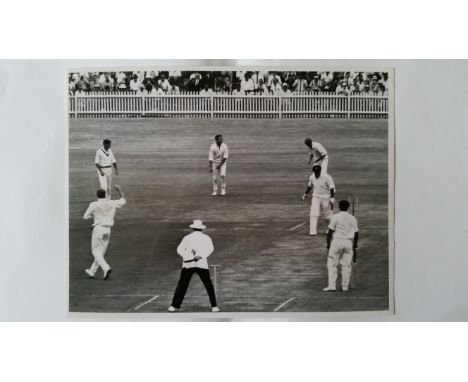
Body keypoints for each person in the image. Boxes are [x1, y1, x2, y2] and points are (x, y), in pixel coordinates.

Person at [168, 220, 219, 312]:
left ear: (192, 228)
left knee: (182, 285)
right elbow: (210, 249)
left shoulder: (187, 237)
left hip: (188, 265)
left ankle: (173, 306)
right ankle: (214, 306)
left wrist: (187, 256)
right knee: (208, 285)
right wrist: (200, 256)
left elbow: (179, 249)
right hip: (202, 264)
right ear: (201, 229)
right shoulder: (206, 238)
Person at [83, 185, 126, 280]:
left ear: (97, 195)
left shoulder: (93, 204)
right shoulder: (111, 203)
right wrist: (120, 190)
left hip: (98, 229)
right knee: (100, 252)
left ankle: (106, 268)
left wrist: (95, 218)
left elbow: (85, 216)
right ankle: (92, 271)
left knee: (95, 251)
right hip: (108, 230)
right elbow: (123, 201)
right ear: (105, 195)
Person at [324, 200, 359, 291]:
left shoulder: (335, 216)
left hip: (337, 242)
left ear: (339, 207)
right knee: (346, 265)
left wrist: (328, 243)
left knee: (332, 264)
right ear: (348, 207)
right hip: (348, 242)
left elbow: (330, 231)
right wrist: (355, 245)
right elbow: (356, 233)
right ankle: (345, 286)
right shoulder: (352, 218)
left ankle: (332, 286)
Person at [301, 164, 335, 236]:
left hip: (326, 196)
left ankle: (331, 228)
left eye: (317, 172)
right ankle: (312, 231)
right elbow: (310, 186)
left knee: (327, 216)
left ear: (320, 171)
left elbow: (332, 188)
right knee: (313, 213)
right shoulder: (312, 177)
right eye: (315, 172)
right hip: (316, 196)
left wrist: (332, 197)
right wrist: (305, 194)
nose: (316, 174)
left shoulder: (327, 177)